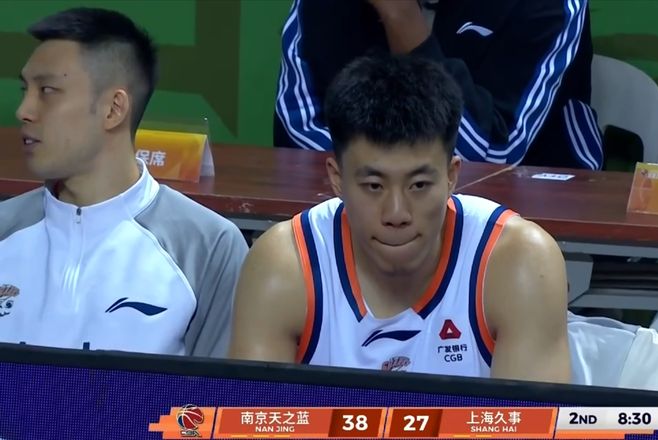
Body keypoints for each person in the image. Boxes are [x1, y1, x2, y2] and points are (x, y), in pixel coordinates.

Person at [231, 54, 571, 383]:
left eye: (419, 185)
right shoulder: (286, 264)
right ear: (337, 178)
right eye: (374, 186)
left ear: (451, 176)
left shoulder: (516, 261)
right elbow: (249, 414)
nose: (396, 213)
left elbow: (530, 419)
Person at [0, 8, 247, 357]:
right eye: (25, 89)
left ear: (114, 109)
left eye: (48, 90)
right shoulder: (5, 230)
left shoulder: (208, 247)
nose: (23, 110)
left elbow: (220, 390)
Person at [274, 0, 602, 170]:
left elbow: (492, 157)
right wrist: (385, 185)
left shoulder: (546, 5)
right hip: (345, 210)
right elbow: (300, 131)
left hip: (520, 222)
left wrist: (403, 20)